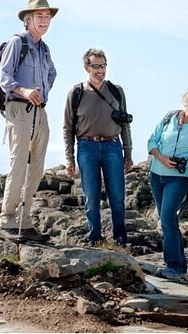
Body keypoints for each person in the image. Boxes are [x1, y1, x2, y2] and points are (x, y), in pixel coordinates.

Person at [0, 0, 58, 243]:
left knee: (37, 167)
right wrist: (24, 91)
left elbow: (52, 72)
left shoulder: (44, 48)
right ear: (28, 19)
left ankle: (24, 221)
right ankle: (6, 221)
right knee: (18, 164)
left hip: (39, 111)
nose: (44, 21)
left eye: (47, 17)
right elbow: (4, 75)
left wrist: (43, 91)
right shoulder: (16, 42)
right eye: (39, 17)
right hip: (19, 109)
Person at [63, 48, 133, 246]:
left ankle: (120, 239)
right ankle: (95, 238)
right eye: (96, 66)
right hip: (86, 147)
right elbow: (67, 127)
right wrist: (69, 158)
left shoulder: (116, 91)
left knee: (118, 197)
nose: (100, 70)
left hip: (113, 147)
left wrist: (128, 152)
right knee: (91, 197)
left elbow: (125, 123)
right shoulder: (75, 93)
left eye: (103, 66)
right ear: (87, 67)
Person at [148, 82, 188, 280]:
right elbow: (152, 141)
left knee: (167, 217)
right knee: (167, 220)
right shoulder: (169, 117)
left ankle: (173, 266)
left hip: (180, 177)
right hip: (157, 174)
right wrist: (161, 158)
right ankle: (179, 266)